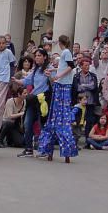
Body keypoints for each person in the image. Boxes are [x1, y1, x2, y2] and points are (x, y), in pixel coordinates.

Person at [38, 34, 78, 162]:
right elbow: (64, 66)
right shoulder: (66, 53)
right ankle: (61, 151)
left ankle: (52, 150)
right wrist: (54, 71)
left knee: (57, 114)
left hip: (63, 85)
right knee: (57, 114)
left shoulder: (66, 52)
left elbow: (71, 66)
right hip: (61, 84)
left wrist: (58, 76)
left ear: (61, 43)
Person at [18, 48, 50, 157]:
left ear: (45, 57)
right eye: (36, 56)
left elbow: (55, 80)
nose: (37, 57)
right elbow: (27, 80)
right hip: (33, 99)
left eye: (39, 55)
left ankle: (44, 150)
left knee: (43, 125)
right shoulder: (36, 69)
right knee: (27, 123)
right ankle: (28, 149)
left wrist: (50, 76)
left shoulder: (49, 68)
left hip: (43, 100)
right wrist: (16, 80)